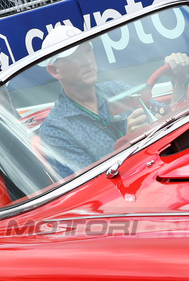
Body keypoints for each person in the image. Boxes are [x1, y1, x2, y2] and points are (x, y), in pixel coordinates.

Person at [35, 28, 154, 176]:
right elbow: (90, 184)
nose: (87, 61)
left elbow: (164, 114)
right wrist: (127, 143)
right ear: (55, 71)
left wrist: (179, 82)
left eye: (88, 51)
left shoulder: (116, 88)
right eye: (75, 56)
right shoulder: (54, 130)